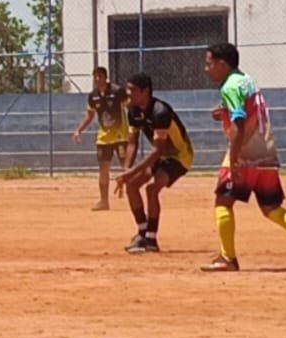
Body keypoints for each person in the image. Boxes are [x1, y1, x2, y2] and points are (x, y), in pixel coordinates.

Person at [201, 42, 286, 272]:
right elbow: (245, 110)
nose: (206, 69)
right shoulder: (246, 80)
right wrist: (224, 112)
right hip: (266, 153)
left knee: (223, 202)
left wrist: (235, 159)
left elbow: (239, 122)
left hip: (245, 153)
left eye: (209, 64)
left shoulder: (229, 86)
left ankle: (228, 258)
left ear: (222, 63)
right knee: (271, 206)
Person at [114, 73, 194, 254]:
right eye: (128, 88)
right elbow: (133, 142)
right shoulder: (133, 110)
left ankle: (151, 238)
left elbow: (158, 149)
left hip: (179, 157)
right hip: (161, 156)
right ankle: (142, 232)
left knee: (151, 189)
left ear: (145, 91)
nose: (128, 93)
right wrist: (126, 171)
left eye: (133, 89)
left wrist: (132, 170)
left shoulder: (160, 112)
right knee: (132, 185)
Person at [72, 66, 131, 211]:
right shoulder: (93, 96)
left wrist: (137, 124)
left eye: (100, 76)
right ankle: (104, 201)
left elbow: (131, 107)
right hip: (104, 138)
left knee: (127, 167)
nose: (97, 79)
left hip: (120, 136)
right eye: (95, 77)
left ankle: (132, 199)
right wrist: (79, 130)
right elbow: (90, 114)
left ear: (106, 77)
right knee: (103, 169)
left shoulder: (117, 91)